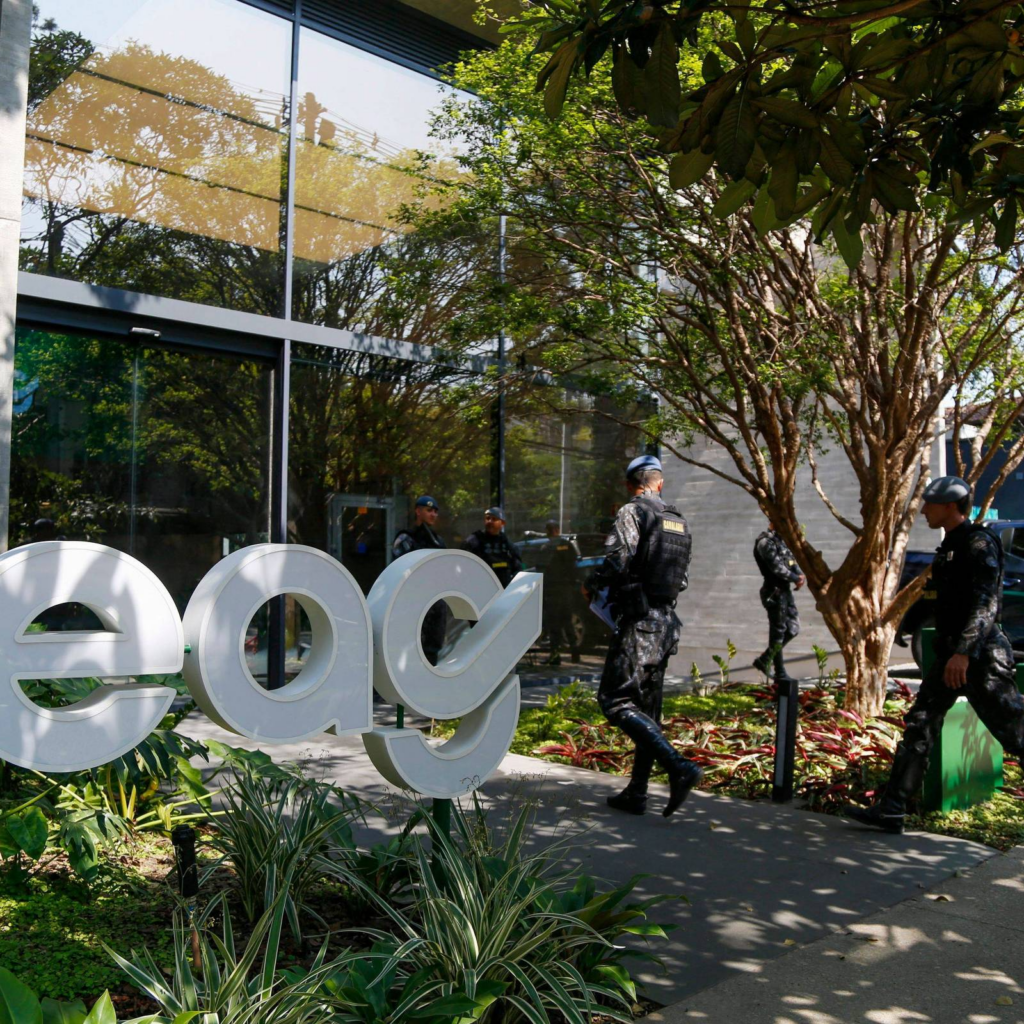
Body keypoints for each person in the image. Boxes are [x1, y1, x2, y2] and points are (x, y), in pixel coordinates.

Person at [846, 476, 1024, 834]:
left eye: (930, 504)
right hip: (950, 655)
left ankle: (892, 807)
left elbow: (985, 604)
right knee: (920, 726)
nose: (924, 510)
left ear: (949, 506)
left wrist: (964, 653)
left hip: (979, 658)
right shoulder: (951, 545)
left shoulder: (977, 543)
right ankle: (892, 809)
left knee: (1013, 731)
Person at [584, 455, 703, 817]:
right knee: (647, 709)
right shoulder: (678, 521)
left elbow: (618, 560)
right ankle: (637, 792)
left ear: (630, 484)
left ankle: (678, 767)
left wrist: (593, 584)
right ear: (660, 483)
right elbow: (683, 580)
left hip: (639, 621)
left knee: (615, 700)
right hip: (666, 624)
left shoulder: (632, 512)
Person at [392, 495, 447, 665]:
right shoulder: (406, 538)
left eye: (435, 511)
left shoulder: (438, 541)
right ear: (418, 511)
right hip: (412, 601)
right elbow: (399, 569)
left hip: (434, 601)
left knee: (432, 648)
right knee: (409, 647)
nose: (433, 514)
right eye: (429, 510)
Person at [752, 522, 806, 683]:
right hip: (773, 591)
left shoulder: (781, 541)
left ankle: (765, 659)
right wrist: (795, 578)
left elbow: (791, 561)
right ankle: (780, 673)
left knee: (793, 629)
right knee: (778, 633)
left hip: (785, 590)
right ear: (772, 522)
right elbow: (776, 568)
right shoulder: (765, 542)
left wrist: (799, 574)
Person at [541, 519, 581, 666]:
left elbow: (542, 569)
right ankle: (575, 653)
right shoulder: (568, 545)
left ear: (547, 531)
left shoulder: (546, 547)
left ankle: (555, 656)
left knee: (554, 625)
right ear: (557, 529)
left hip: (552, 591)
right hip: (566, 591)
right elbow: (574, 566)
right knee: (567, 622)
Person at [462, 506, 523, 588]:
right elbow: (464, 565)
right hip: (482, 587)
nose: (490, 521)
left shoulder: (507, 543)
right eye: (488, 518)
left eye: (494, 519)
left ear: (502, 523)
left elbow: (517, 568)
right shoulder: (475, 540)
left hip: (504, 589)